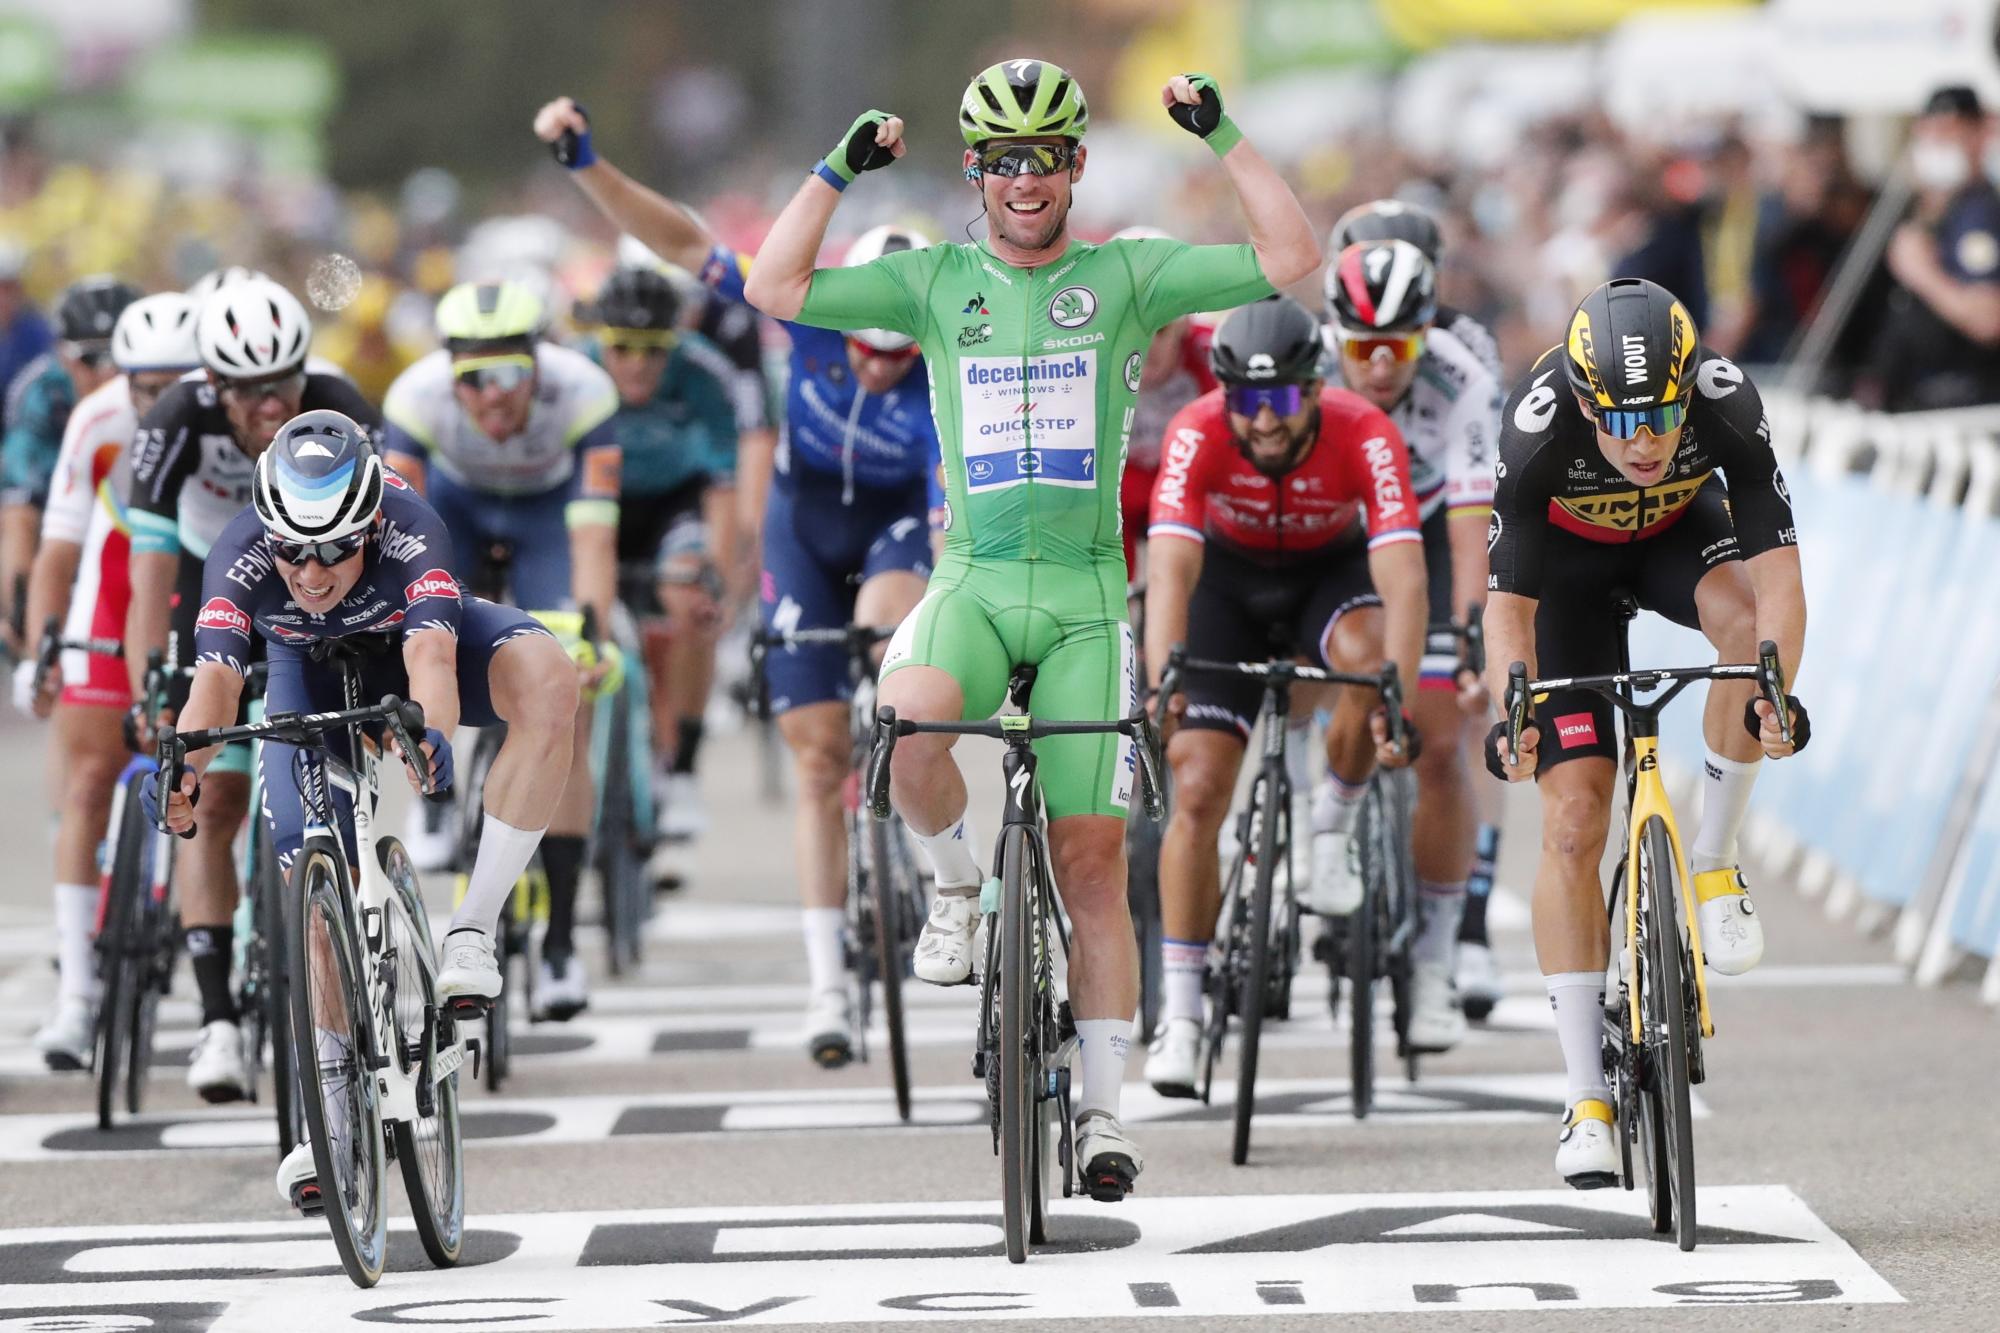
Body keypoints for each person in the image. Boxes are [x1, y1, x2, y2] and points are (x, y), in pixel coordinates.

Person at [738, 58, 1319, 1197]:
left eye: (1043, 158)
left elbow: (1291, 263)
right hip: (971, 581)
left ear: (1072, 168)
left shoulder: (1125, 276)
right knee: (896, 732)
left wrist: (1223, 135)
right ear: (975, 171)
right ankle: (954, 882)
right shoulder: (933, 280)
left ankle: (1104, 1113)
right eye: (1003, 161)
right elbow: (774, 284)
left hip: (1087, 602)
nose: (1023, 180)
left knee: (1090, 860)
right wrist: (835, 169)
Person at [530, 97, 944, 1064]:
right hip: (805, 531)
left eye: (902, 352)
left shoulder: (943, 367)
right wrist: (588, 163)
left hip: (892, 532)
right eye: (867, 347)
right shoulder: (806, 317)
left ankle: (943, 870)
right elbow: (683, 242)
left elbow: (941, 506)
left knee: (894, 658)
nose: (881, 370)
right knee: (811, 761)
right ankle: (826, 985)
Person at [153, 409, 579, 1209]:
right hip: (299, 677)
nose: (310, 574)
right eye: (292, 551)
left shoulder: (413, 526)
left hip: (406, 657)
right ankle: (333, 1120)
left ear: (372, 522)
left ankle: (471, 930)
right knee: (316, 893)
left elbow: (432, 655)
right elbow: (213, 684)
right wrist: (182, 767)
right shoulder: (240, 551)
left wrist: (431, 737)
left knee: (553, 681)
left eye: (335, 549)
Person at [1482, 277, 1808, 1188]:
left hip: (1680, 540)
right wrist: (1511, 708)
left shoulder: (1727, 401)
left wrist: (1774, 693)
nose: (1643, 440)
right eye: (1618, 420)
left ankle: (1712, 858)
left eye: (1661, 415)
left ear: (1688, 382)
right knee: (1575, 822)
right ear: (1584, 401)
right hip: (1567, 575)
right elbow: (1507, 603)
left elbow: (1780, 579)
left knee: (1745, 636)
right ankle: (1586, 1096)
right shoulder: (1538, 421)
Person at [1139, 296, 1425, 1094]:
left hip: (1323, 578)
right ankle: (1185, 1015)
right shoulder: (1195, 428)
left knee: (1370, 665)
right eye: (1247, 401)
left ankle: (1330, 825)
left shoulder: (1364, 429)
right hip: (1224, 586)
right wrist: (1166, 677)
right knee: (1195, 787)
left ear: (1314, 388)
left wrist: (1392, 695)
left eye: (1281, 399)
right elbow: (1169, 571)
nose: (1263, 421)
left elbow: (1403, 579)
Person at [125, 275, 381, 1097]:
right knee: (217, 799)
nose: (269, 405)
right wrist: (148, 683)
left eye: (283, 384)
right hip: (211, 588)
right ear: (212, 385)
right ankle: (218, 1021)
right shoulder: (174, 422)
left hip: (310, 595)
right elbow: (149, 571)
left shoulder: (338, 402)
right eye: (246, 390)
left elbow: (381, 533)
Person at [381, 279, 619, 1021]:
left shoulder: (585, 392)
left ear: (540, 364)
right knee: (433, 632)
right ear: (450, 374)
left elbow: (592, 534)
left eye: (510, 374)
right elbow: (403, 540)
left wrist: (593, 631)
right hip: (453, 509)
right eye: (473, 379)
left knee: (563, 705)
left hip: (550, 515)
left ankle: (559, 945)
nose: (492, 396)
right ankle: (433, 790)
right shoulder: (413, 400)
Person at [13, 291, 202, 1070]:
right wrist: (38, 650)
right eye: (141, 386)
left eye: (173, 385)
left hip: (199, 579)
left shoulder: (228, 420)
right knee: (89, 778)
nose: (155, 404)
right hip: (116, 580)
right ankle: (77, 995)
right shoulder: (95, 421)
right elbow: (57, 555)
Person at [1329, 198, 1509, 1011]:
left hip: (1432, 529)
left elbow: (1475, 531)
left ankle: (1458, 931)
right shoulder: (1314, 357)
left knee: (1452, 730)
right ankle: (1310, 822)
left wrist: (1473, 637)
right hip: (1340, 529)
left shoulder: (1462, 357)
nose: (1378, 356)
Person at [581, 263, 739, 857]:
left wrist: (716, 575)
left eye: (653, 350)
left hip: (675, 504)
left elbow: (723, 487)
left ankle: (685, 771)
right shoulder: (574, 368)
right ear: (601, 341)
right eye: (621, 348)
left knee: (690, 600)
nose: (637, 364)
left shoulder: (703, 372)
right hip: (599, 505)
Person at [1, 277, 139, 652]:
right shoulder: (40, 396)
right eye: (92, 359)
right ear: (63, 357)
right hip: (64, 512)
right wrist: (23, 616)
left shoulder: (158, 382)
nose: (109, 374)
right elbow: (21, 514)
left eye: (121, 357)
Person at [1867, 84, 2000, 411]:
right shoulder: (1934, 209)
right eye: (1929, 132)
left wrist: (1923, 273)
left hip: (1964, 402)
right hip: (1914, 397)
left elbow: (1988, 319)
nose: (1936, 143)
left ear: (1979, 136)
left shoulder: (1980, 213)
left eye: (1949, 132)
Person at [1105, 226, 1218, 581]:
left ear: (1185, 322)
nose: (1146, 345)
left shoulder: (1213, 354)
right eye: (1134, 329)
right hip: (1122, 484)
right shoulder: (1089, 354)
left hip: (1190, 479)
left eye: (1161, 328)